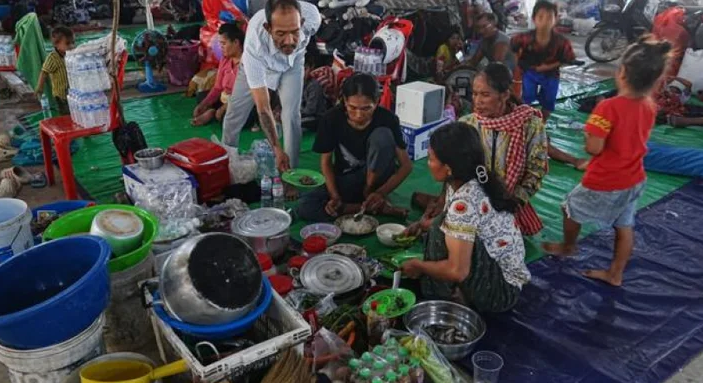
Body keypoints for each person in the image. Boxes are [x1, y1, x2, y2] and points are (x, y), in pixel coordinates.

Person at [542, 37, 672, 287]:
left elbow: (594, 148)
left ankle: (568, 246)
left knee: (570, 207)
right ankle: (616, 273)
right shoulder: (649, 106)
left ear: (622, 72)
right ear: (654, 79)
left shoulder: (607, 108)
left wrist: (589, 131)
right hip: (634, 179)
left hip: (606, 179)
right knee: (624, 226)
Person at [401, 122, 530, 313]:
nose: (428, 164)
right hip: (501, 274)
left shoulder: (465, 204)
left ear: (448, 168)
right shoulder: (471, 179)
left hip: (500, 292)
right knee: (439, 225)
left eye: (430, 159)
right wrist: (421, 225)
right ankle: (458, 291)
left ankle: (441, 298)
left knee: (438, 232)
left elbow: (457, 271)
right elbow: (450, 222)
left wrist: (418, 265)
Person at [411, 63, 548, 237]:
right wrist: (446, 200)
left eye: (485, 95)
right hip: (469, 199)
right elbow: (454, 169)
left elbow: (536, 170)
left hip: (509, 201)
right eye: (475, 94)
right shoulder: (468, 123)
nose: (477, 101)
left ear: (504, 95)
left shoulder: (530, 125)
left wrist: (510, 202)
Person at [221, 0, 321, 175]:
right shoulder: (255, 44)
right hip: (260, 65)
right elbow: (263, 108)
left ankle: (291, 174)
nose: (289, 41)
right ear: (268, 28)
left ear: (302, 24)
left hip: (293, 64)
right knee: (234, 114)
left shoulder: (312, 17)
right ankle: (227, 164)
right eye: (281, 33)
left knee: (292, 116)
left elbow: (301, 42)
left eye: (295, 32)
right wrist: (276, 148)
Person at [296, 74, 413, 222]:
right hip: (346, 179)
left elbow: (406, 166)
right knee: (305, 206)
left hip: (377, 181)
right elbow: (325, 163)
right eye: (352, 107)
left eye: (366, 108)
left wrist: (380, 193)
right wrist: (335, 196)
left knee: (382, 136)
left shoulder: (387, 119)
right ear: (344, 101)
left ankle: (370, 198)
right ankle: (374, 208)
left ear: (377, 102)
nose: (358, 115)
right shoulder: (331, 119)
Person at [511, 0, 586, 169]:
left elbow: (567, 59)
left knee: (548, 103)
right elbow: (514, 50)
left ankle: (539, 126)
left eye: (549, 17)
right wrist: (519, 70)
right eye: (541, 17)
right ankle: (528, 125)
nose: (545, 21)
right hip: (530, 72)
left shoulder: (561, 42)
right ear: (534, 18)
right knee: (526, 99)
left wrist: (547, 67)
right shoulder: (523, 39)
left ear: (556, 19)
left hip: (551, 75)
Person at [192, 23, 244, 126]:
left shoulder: (246, 62)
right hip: (225, 97)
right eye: (220, 44)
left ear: (236, 42)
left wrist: (224, 107)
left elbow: (243, 94)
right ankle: (213, 112)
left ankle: (213, 113)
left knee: (234, 116)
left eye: (224, 44)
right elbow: (217, 88)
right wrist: (204, 104)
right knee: (201, 96)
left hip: (241, 100)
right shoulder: (225, 60)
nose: (221, 48)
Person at [35, 26, 74, 115]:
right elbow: (44, 72)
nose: (72, 46)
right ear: (57, 44)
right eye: (67, 43)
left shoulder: (71, 55)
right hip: (61, 95)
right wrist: (40, 87)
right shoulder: (52, 58)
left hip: (72, 91)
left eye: (73, 42)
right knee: (66, 113)